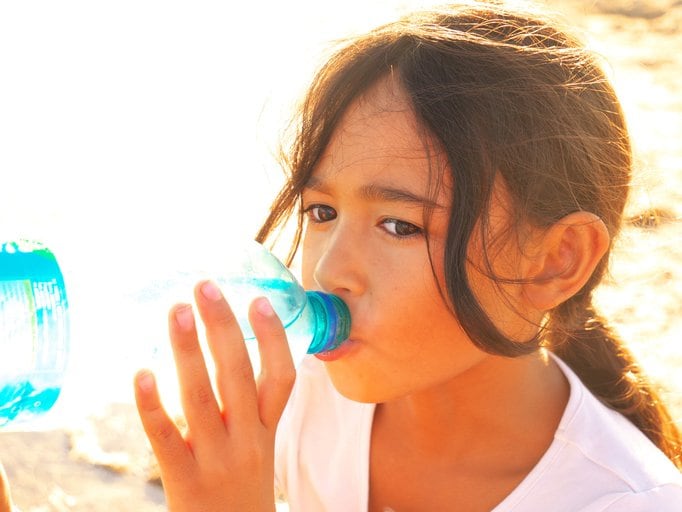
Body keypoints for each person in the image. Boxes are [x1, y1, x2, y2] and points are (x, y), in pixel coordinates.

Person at [1, 1, 680, 511]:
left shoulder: (623, 501)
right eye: (322, 213)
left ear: (555, 261)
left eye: (397, 226)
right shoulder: (307, 399)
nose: (328, 271)